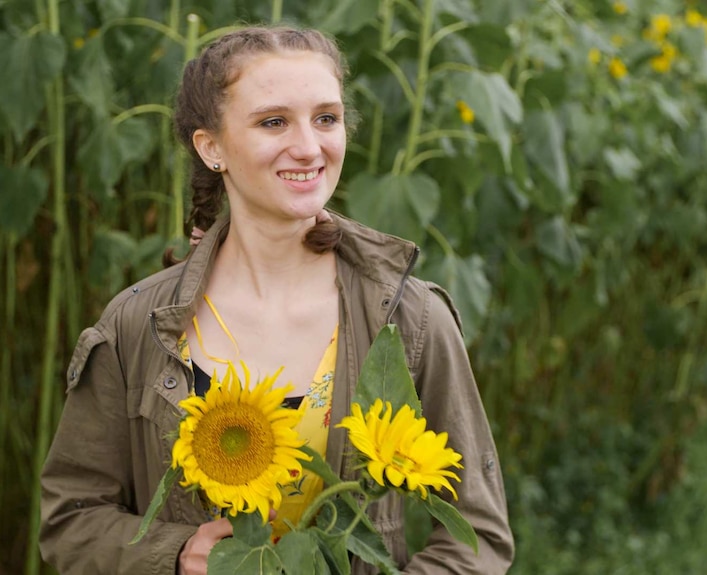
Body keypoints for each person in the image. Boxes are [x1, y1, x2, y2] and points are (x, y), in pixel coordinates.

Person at [39, 25, 514, 574]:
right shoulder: (136, 326)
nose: (309, 147)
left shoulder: (410, 319)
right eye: (273, 122)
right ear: (211, 147)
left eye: (326, 118)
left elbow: (476, 538)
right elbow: (70, 518)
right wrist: (174, 554)